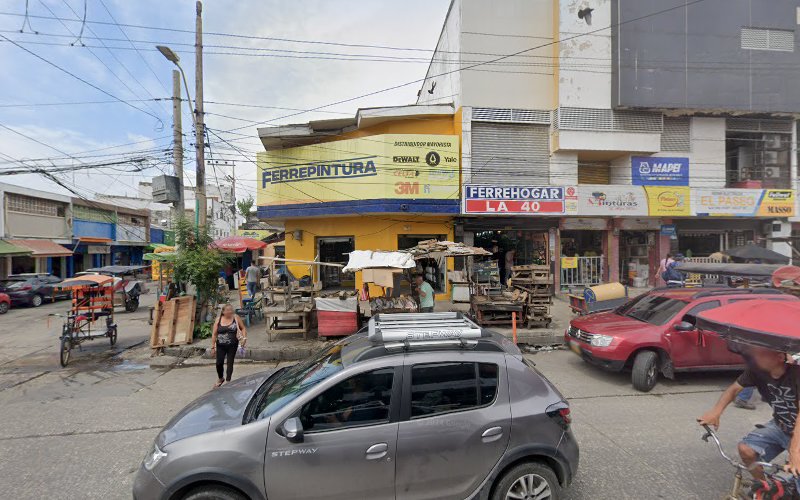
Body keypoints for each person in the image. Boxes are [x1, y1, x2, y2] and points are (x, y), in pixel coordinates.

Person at [698, 347, 800, 488]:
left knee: (797, 470)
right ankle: (765, 488)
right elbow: (734, 389)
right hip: (780, 425)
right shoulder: (756, 372)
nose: (756, 358)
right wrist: (716, 411)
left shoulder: (796, 375)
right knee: (746, 450)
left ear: (780, 358)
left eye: (763, 354)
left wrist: (795, 452)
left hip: (798, 431)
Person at [211, 304, 247, 388]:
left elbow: (243, 328)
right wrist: (213, 346)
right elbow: (214, 334)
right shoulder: (218, 320)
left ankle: (228, 381)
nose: (230, 311)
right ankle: (221, 378)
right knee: (219, 363)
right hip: (220, 345)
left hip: (232, 345)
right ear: (223, 312)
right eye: (227, 310)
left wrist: (244, 338)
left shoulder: (236, 317)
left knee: (230, 363)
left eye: (231, 309)